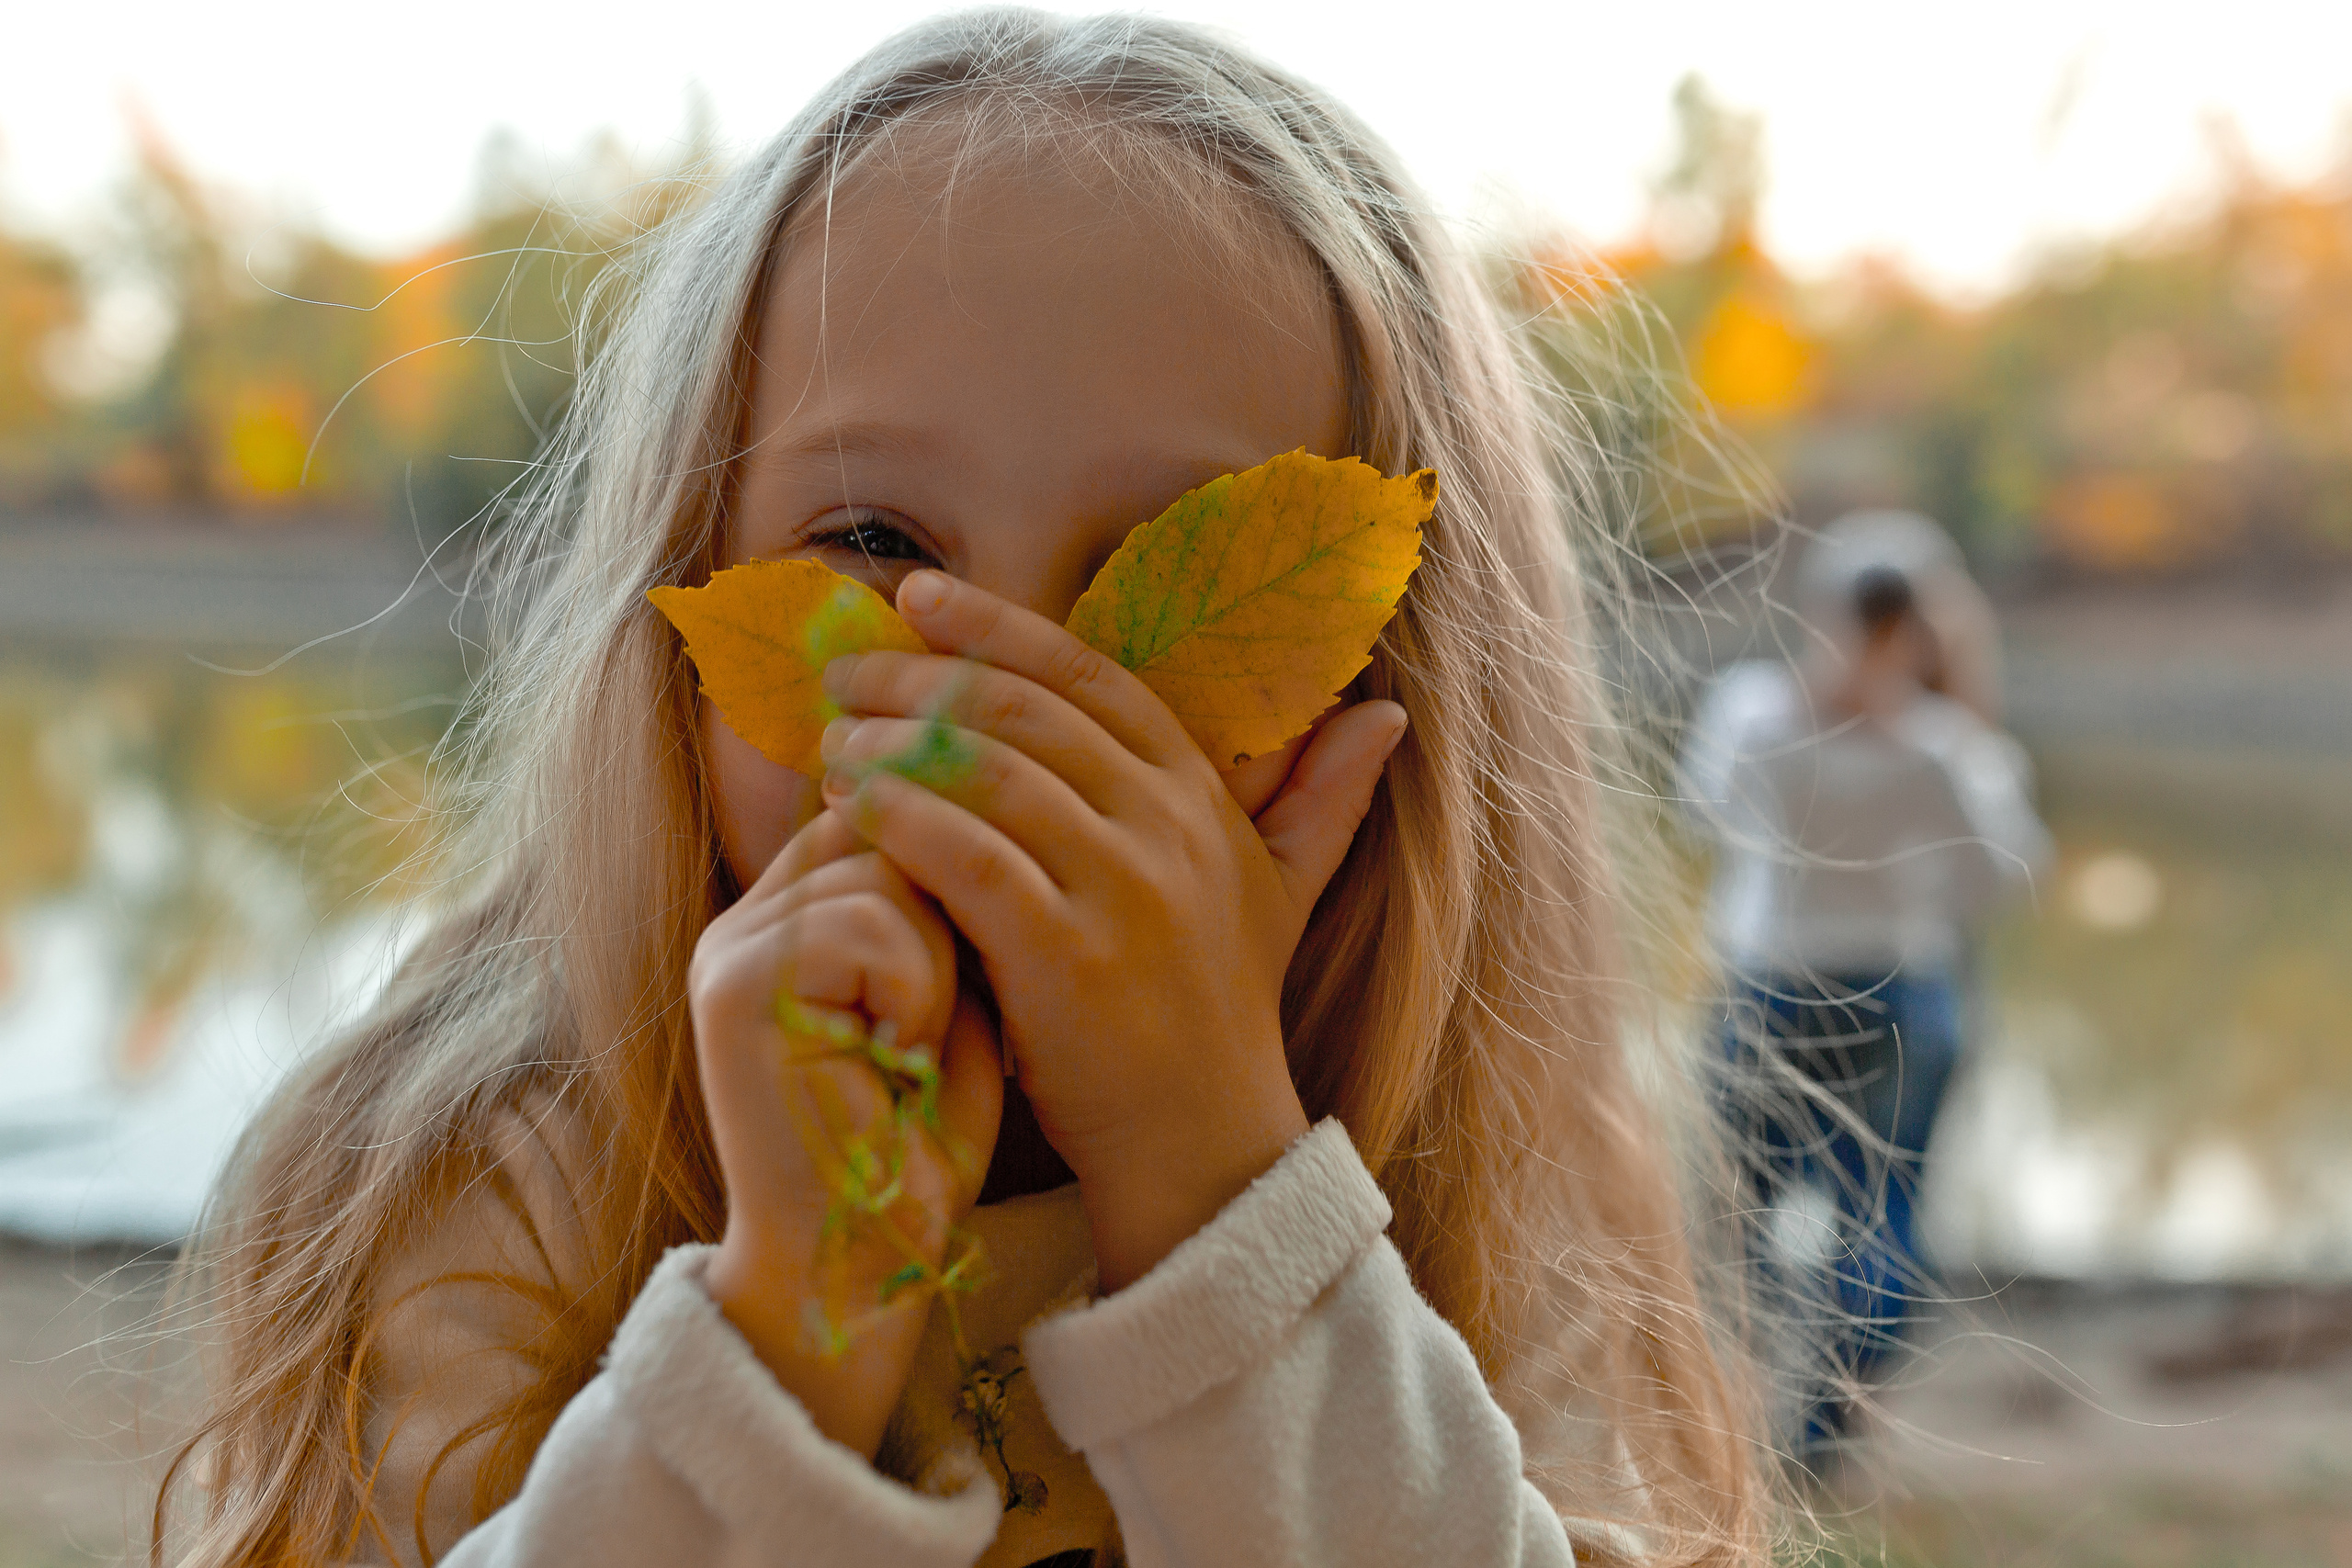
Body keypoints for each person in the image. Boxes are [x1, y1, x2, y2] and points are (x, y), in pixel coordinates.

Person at [157, 14, 1768, 1568]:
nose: (1005, 721)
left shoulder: (1498, 1211)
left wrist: (1226, 1204)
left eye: (1159, 580)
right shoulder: (483, 1191)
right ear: (682, 613)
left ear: (1397, 697)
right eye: (876, 546)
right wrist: (797, 1329)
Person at [1679, 513, 2051, 1469]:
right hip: (1902, 991)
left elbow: (1703, 811)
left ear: (1820, 610)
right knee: (1880, 1212)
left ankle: (1733, 1404)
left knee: (1737, 1207)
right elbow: (2005, 876)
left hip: (1769, 988)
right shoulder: (1940, 746)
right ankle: (1819, 1433)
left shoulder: (1753, 713)